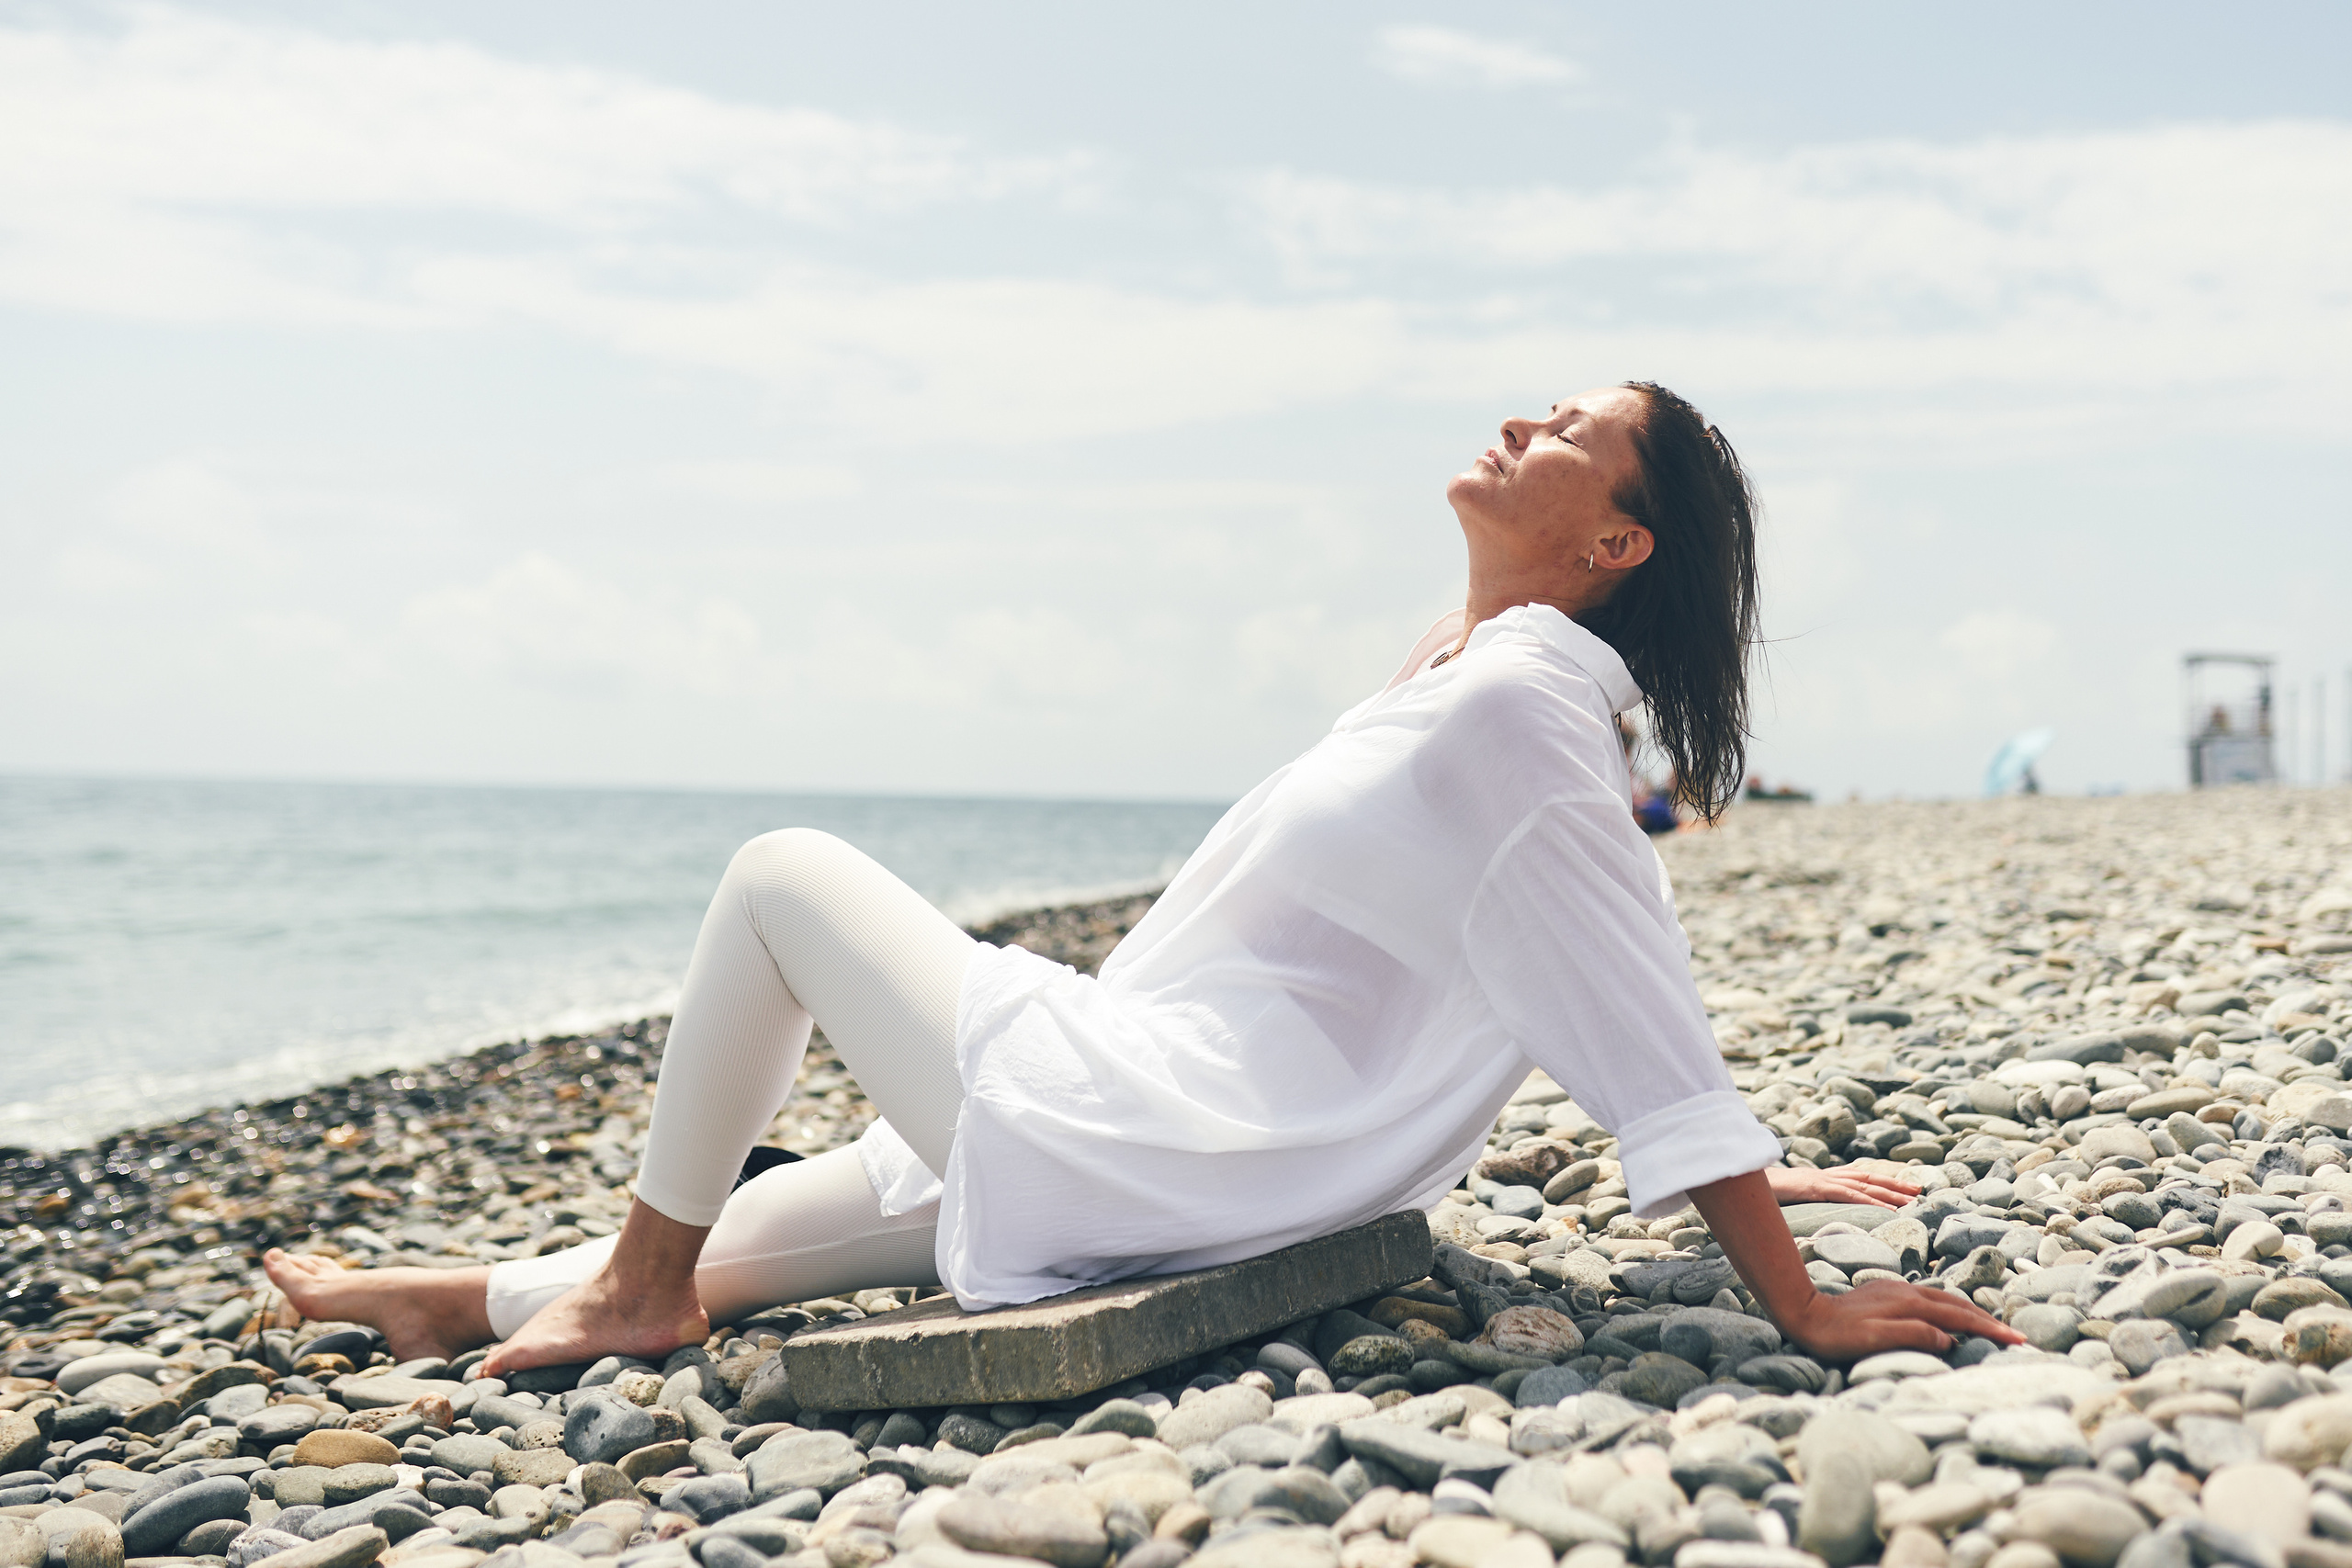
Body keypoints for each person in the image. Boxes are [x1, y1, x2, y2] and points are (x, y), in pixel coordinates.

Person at [266, 383, 2016, 1371]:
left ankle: (629, 1282)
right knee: (777, 1245)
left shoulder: (1523, 716)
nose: (1520, 417)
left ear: (1611, 542)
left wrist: (1789, 1293)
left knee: (782, 875)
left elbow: (1623, 980)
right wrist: (1777, 1172)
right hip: (1169, 1127)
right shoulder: (1477, 667)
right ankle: (470, 1294)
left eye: (1568, 428)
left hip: (1166, 1128)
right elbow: (1544, 969)